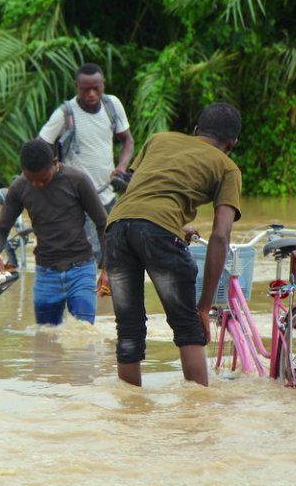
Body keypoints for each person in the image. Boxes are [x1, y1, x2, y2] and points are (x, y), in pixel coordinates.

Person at [102, 102, 243, 387]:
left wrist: (174, 226)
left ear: (195, 130)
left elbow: (141, 192)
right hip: (159, 232)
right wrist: (203, 307)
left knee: (128, 330)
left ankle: (130, 415)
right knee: (188, 327)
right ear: (232, 143)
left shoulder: (159, 139)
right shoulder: (228, 168)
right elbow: (220, 236)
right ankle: (197, 416)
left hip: (116, 227)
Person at [0, 139, 108, 326]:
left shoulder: (77, 181)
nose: (37, 185)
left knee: (84, 334)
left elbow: (103, 223)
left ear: (55, 163)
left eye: (42, 179)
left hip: (81, 270)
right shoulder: (19, 187)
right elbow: (0, 229)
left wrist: (108, 266)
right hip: (46, 274)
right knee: (45, 338)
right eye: (31, 179)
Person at [38, 63, 135, 259]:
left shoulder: (112, 105)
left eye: (96, 88)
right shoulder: (65, 113)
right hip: (77, 199)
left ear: (103, 85)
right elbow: (41, 144)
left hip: (107, 193)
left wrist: (122, 167)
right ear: (77, 87)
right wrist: (53, 166)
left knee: (116, 251)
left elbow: (127, 140)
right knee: (92, 253)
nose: (91, 94)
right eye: (85, 89)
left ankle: (108, 289)